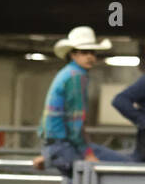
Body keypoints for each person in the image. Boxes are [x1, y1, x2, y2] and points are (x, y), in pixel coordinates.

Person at [37, 27, 129, 175]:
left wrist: (49, 152)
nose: (90, 57)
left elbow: (50, 120)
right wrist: (87, 153)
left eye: (92, 52)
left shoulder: (66, 73)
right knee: (120, 166)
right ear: (73, 55)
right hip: (64, 145)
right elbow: (76, 122)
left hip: (55, 145)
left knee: (79, 181)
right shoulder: (76, 77)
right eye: (84, 53)